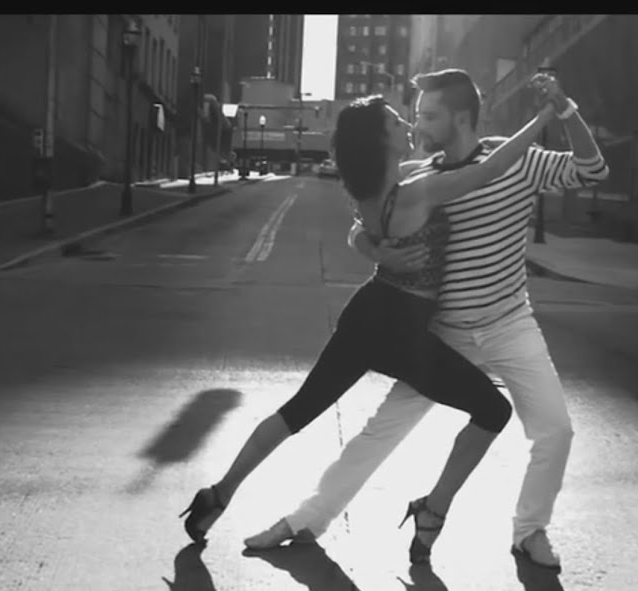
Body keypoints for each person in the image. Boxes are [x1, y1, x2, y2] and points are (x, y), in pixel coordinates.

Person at [180, 81, 566, 565]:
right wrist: (541, 121)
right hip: (401, 331)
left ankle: (218, 495)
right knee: (493, 412)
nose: (408, 125)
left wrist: (374, 249)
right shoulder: (418, 190)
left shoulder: (371, 191)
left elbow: (360, 231)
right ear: (383, 140)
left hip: (368, 313)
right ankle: (434, 508)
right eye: (397, 123)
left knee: (298, 411)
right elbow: (489, 169)